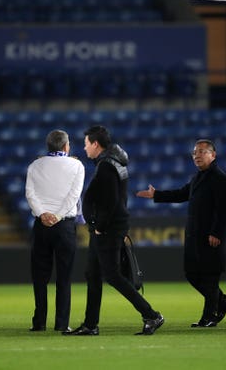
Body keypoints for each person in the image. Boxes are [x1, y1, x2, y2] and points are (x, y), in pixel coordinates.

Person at [64, 125, 164, 336]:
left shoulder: (107, 166)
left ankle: (151, 315)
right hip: (108, 227)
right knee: (92, 274)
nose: (84, 149)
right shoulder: (113, 162)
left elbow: (111, 202)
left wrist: (99, 227)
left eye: (86, 144)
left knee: (113, 275)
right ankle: (91, 325)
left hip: (108, 229)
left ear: (95, 144)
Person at [136, 139, 226, 328]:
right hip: (195, 236)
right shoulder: (198, 177)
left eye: (202, 152)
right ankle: (223, 301)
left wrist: (216, 233)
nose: (197, 155)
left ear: (213, 155)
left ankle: (209, 317)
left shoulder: (221, 179)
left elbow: (224, 210)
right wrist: (157, 195)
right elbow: (182, 194)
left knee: (210, 277)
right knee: (192, 274)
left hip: (212, 236)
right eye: (195, 152)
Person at [25, 129, 85, 332]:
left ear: (48, 145)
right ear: (66, 146)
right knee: (64, 277)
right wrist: (58, 216)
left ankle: (39, 322)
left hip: (41, 226)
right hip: (65, 226)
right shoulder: (77, 165)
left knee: (40, 277)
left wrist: (43, 214)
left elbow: (29, 194)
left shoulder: (35, 165)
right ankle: (62, 323)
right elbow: (74, 196)